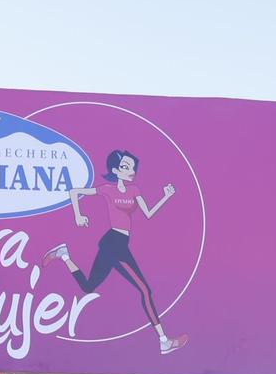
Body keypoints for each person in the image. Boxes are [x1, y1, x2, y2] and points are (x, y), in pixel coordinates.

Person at [46, 149, 186, 355]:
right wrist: (78, 214)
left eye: (132, 167)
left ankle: (64, 254)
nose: (131, 171)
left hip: (118, 243)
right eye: (125, 167)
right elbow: (75, 192)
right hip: (113, 243)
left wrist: (165, 196)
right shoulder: (107, 189)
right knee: (145, 291)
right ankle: (164, 341)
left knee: (88, 287)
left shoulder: (134, 190)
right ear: (115, 170)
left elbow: (148, 214)